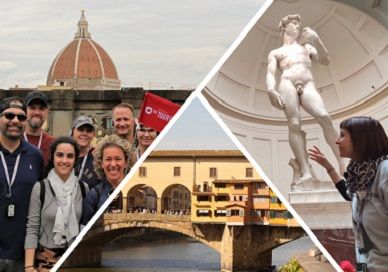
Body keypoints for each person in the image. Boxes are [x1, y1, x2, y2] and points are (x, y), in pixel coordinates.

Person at [266, 14, 346, 184]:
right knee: (294, 124)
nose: (297, 27)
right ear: (283, 27)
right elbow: (270, 73)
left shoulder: (307, 47)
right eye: (294, 24)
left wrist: (317, 40)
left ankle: (342, 162)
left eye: (298, 24)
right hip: (287, 83)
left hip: (308, 83)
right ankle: (304, 170)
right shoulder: (276, 52)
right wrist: (270, 89)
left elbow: (326, 60)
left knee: (324, 117)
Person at [309, 117, 388, 271]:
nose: (337, 141)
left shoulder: (384, 170)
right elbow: (348, 193)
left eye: (343, 135)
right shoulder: (359, 177)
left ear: (361, 138)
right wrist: (328, 166)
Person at [24, 137, 88, 272]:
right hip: (45, 259)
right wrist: (29, 266)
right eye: (60, 155)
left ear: (75, 160)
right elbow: (32, 228)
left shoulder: (83, 188)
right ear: (52, 158)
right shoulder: (40, 188)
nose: (64, 160)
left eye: (70, 156)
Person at [0, 97, 43, 272]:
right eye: (9, 115)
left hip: (22, 255)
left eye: (21, 117)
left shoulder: (35, 155)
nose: (15, 121)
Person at [81, 135, 130, 225]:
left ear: (126, 162)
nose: (113, 164)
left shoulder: (136, 191)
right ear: (101, 163)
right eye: (108, 159)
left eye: (118, 159)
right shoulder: (93, 196)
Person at [24, 91, 55, 167]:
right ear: (25, 111)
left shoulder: (53, 143)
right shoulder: (14, 140)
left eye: (41, 108)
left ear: (47, 112)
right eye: (32, 108)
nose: (37, 112)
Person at [71, 116, 101, 189]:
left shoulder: (98, 158)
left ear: (93, 134)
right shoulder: (63, 156)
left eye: (89, 131)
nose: (85, 133)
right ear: (72, 132)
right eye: (81, 129)